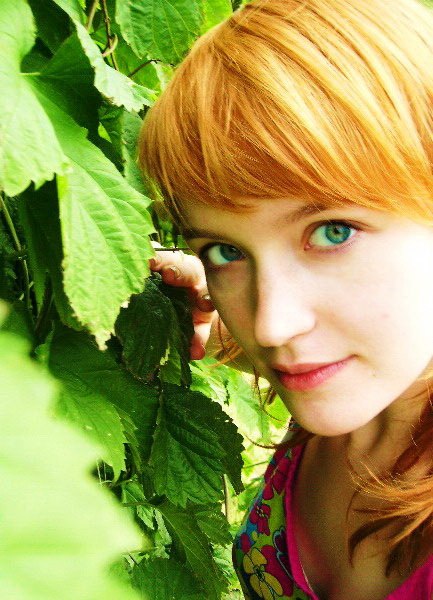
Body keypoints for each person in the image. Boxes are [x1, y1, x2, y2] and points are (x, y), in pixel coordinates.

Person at [138, 0, 433, 597]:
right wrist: (206, 308)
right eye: (226, 249)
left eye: (333, 232)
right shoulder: (352, 377)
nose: (271, 327)